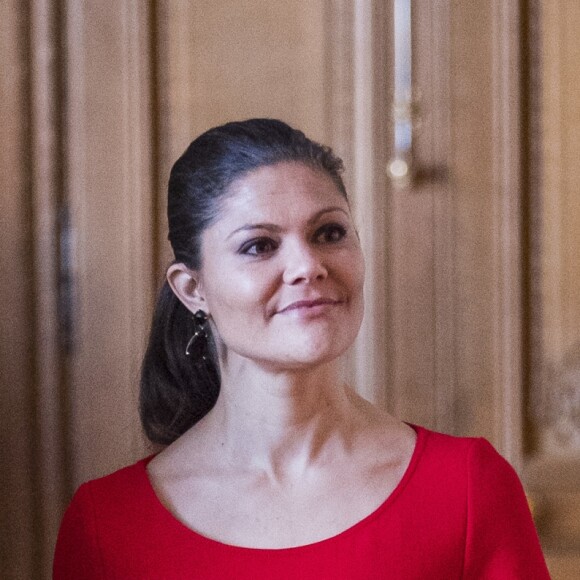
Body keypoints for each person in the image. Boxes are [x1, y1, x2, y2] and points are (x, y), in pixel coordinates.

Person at [53, 119, 550, 579]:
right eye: (259, 245)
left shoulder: (466, 489)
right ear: (192, 289)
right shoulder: (107, 525)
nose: (307, 265)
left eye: (328, 233)